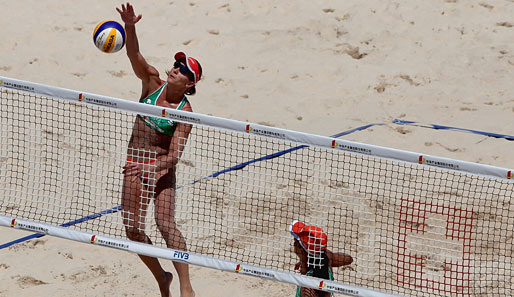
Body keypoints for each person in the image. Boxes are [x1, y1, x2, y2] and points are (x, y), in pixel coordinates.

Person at [117, 2, 202, 297]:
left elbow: (174, 156)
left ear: (189, 83)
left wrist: (151, 167)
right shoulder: (152, 82)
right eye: (177, 64)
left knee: (165, 223)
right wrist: (130, 26)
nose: (175, 68)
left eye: (182, 70)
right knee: (132, 230)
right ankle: (161, 277)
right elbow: (133, 54)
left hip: (161, 168)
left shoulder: (184, 111)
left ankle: (185, 285)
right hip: (134, 164)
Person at [289, 220, 353, 297]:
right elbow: (349, 259)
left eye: (295, 240)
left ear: (300, 248)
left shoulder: (308, 288)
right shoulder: (327, 257)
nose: (294, 241)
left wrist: (304, 259)